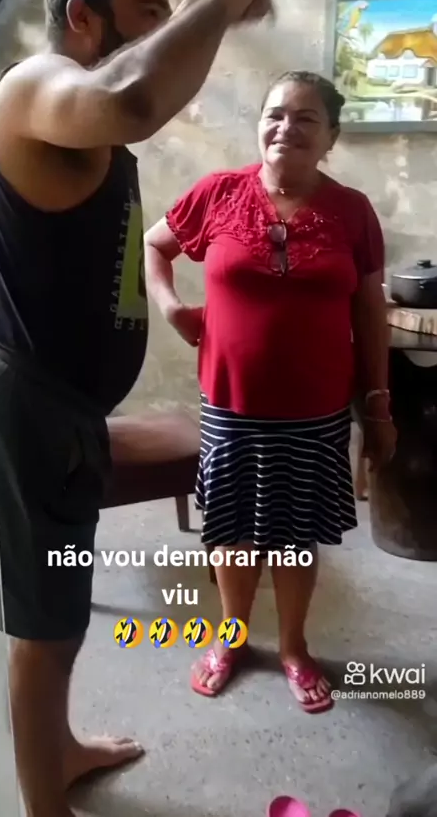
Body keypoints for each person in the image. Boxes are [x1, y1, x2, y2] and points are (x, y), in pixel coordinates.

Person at [0, 0, 274, 815]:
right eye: (148, 10)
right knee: (42, 629)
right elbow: (136, 97)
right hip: (25, 409)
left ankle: (58, 749)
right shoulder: (34, 85)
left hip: (60, 410)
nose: (165, 26)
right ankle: (42, 803)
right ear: (83, 18)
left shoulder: (72, 114)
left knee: (59, 617)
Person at [144, 70, 396, 713]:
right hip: (231, 405)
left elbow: (370, 311)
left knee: (294, 534)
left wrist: (377, 403)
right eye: (275, 114)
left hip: (316, 409)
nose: (287, 128)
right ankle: (230, 640)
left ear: (331, 135)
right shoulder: (219, 193)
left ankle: (292, 647)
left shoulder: (352, 211)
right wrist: (171, 308)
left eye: (306, 118)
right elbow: (154, 246)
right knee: (231, 530)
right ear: (260, 125)